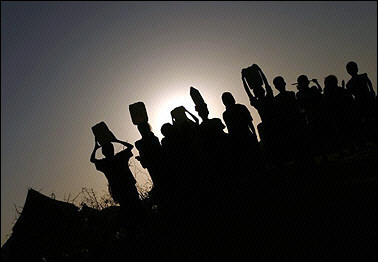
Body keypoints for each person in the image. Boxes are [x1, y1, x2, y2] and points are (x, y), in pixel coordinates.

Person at [90, 138, 140, 212]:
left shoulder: (105, 163)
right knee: (136, 207)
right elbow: (130, 146)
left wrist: (95, 148)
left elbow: (92, 159)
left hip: (120, 188)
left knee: (128, 208)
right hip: (126, 186)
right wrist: (117, 141)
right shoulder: (119, 157)